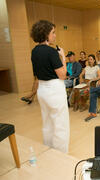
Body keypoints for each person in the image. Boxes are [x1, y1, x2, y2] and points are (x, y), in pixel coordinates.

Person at [30, 20, 69, 153]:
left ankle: (48, 148)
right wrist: (63, 57)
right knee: (60, 123)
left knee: (47, 122)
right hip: (54, 90)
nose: (55, 36)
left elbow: (36, 73)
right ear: (46, 34)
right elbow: (62, 75)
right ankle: (60, 153)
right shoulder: (51, 52)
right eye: (53, 32)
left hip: (42, 90)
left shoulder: (34, 51)